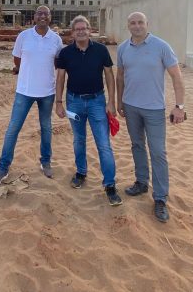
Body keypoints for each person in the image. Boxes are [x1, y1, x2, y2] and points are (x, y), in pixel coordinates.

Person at [116, 12, 186, 223]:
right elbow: (120, 77)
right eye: (132, 23)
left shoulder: (161, 46)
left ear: (147, 24)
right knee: (137, 145)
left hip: (154, 109)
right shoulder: (122, 48)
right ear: (128, 25)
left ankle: (160, 198)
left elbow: (176, 76)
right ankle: (141, 182)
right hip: (130, 107)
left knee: (157, 152)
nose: (136, 26)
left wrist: (179, 106)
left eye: (140, 22)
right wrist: (119, 102)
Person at [0, 5, 63, 186]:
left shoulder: (56, 39)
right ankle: (3, 167)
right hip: (24, 91)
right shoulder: (23, 36)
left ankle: (45, 161)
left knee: (46, 128)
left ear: (50, 17)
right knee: (13, 129)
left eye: (46, 13)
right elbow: (17, 59)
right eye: (39, 13)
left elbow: (57, 62)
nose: (42, 16)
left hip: (47, 92)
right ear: (34, 17)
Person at [55, 15, 122, 206]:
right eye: (77, 29)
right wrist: (58, 102)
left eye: (84, 28)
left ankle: (110, 185)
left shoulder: (101, 50)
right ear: (72, 32)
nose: (81, 31)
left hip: (97, 102)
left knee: (103, 144)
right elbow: (60, 78)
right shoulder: (65, 53)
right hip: (74, 102)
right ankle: (81, 172)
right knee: (79, 140)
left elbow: (109, 75)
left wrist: (111, 102)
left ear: (89, 30)